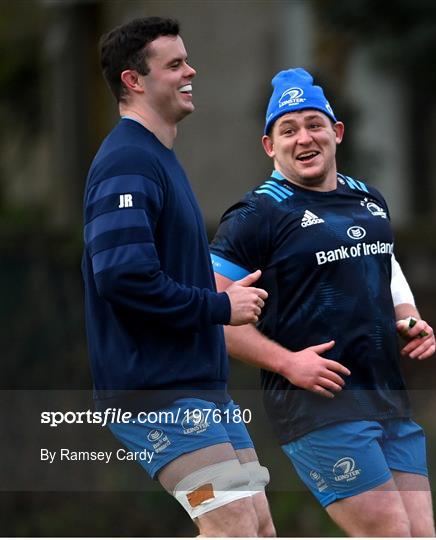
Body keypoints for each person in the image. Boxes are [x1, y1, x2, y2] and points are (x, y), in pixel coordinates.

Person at [210, 68, 436, 537]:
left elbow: (384, 263)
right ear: (269, 146)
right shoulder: (257, 216)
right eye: (287, 130)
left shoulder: (367, 199)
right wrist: (287, 362)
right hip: (318, 406)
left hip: (387, 398)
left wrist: (408, 317)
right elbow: (213, 313)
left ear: (336, 133)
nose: (303, 138)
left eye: (314, 124)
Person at [81, 17, 276, 537]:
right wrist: (218, 309)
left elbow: (157, 269)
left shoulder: (158, 159)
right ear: (134, 81)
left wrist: (217, 290)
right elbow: (122, 276)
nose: (192, 70)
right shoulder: (127, 161)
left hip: (197, 389)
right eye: (175, 64)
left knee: (255, 525)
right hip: (157, 394)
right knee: (231, 523)